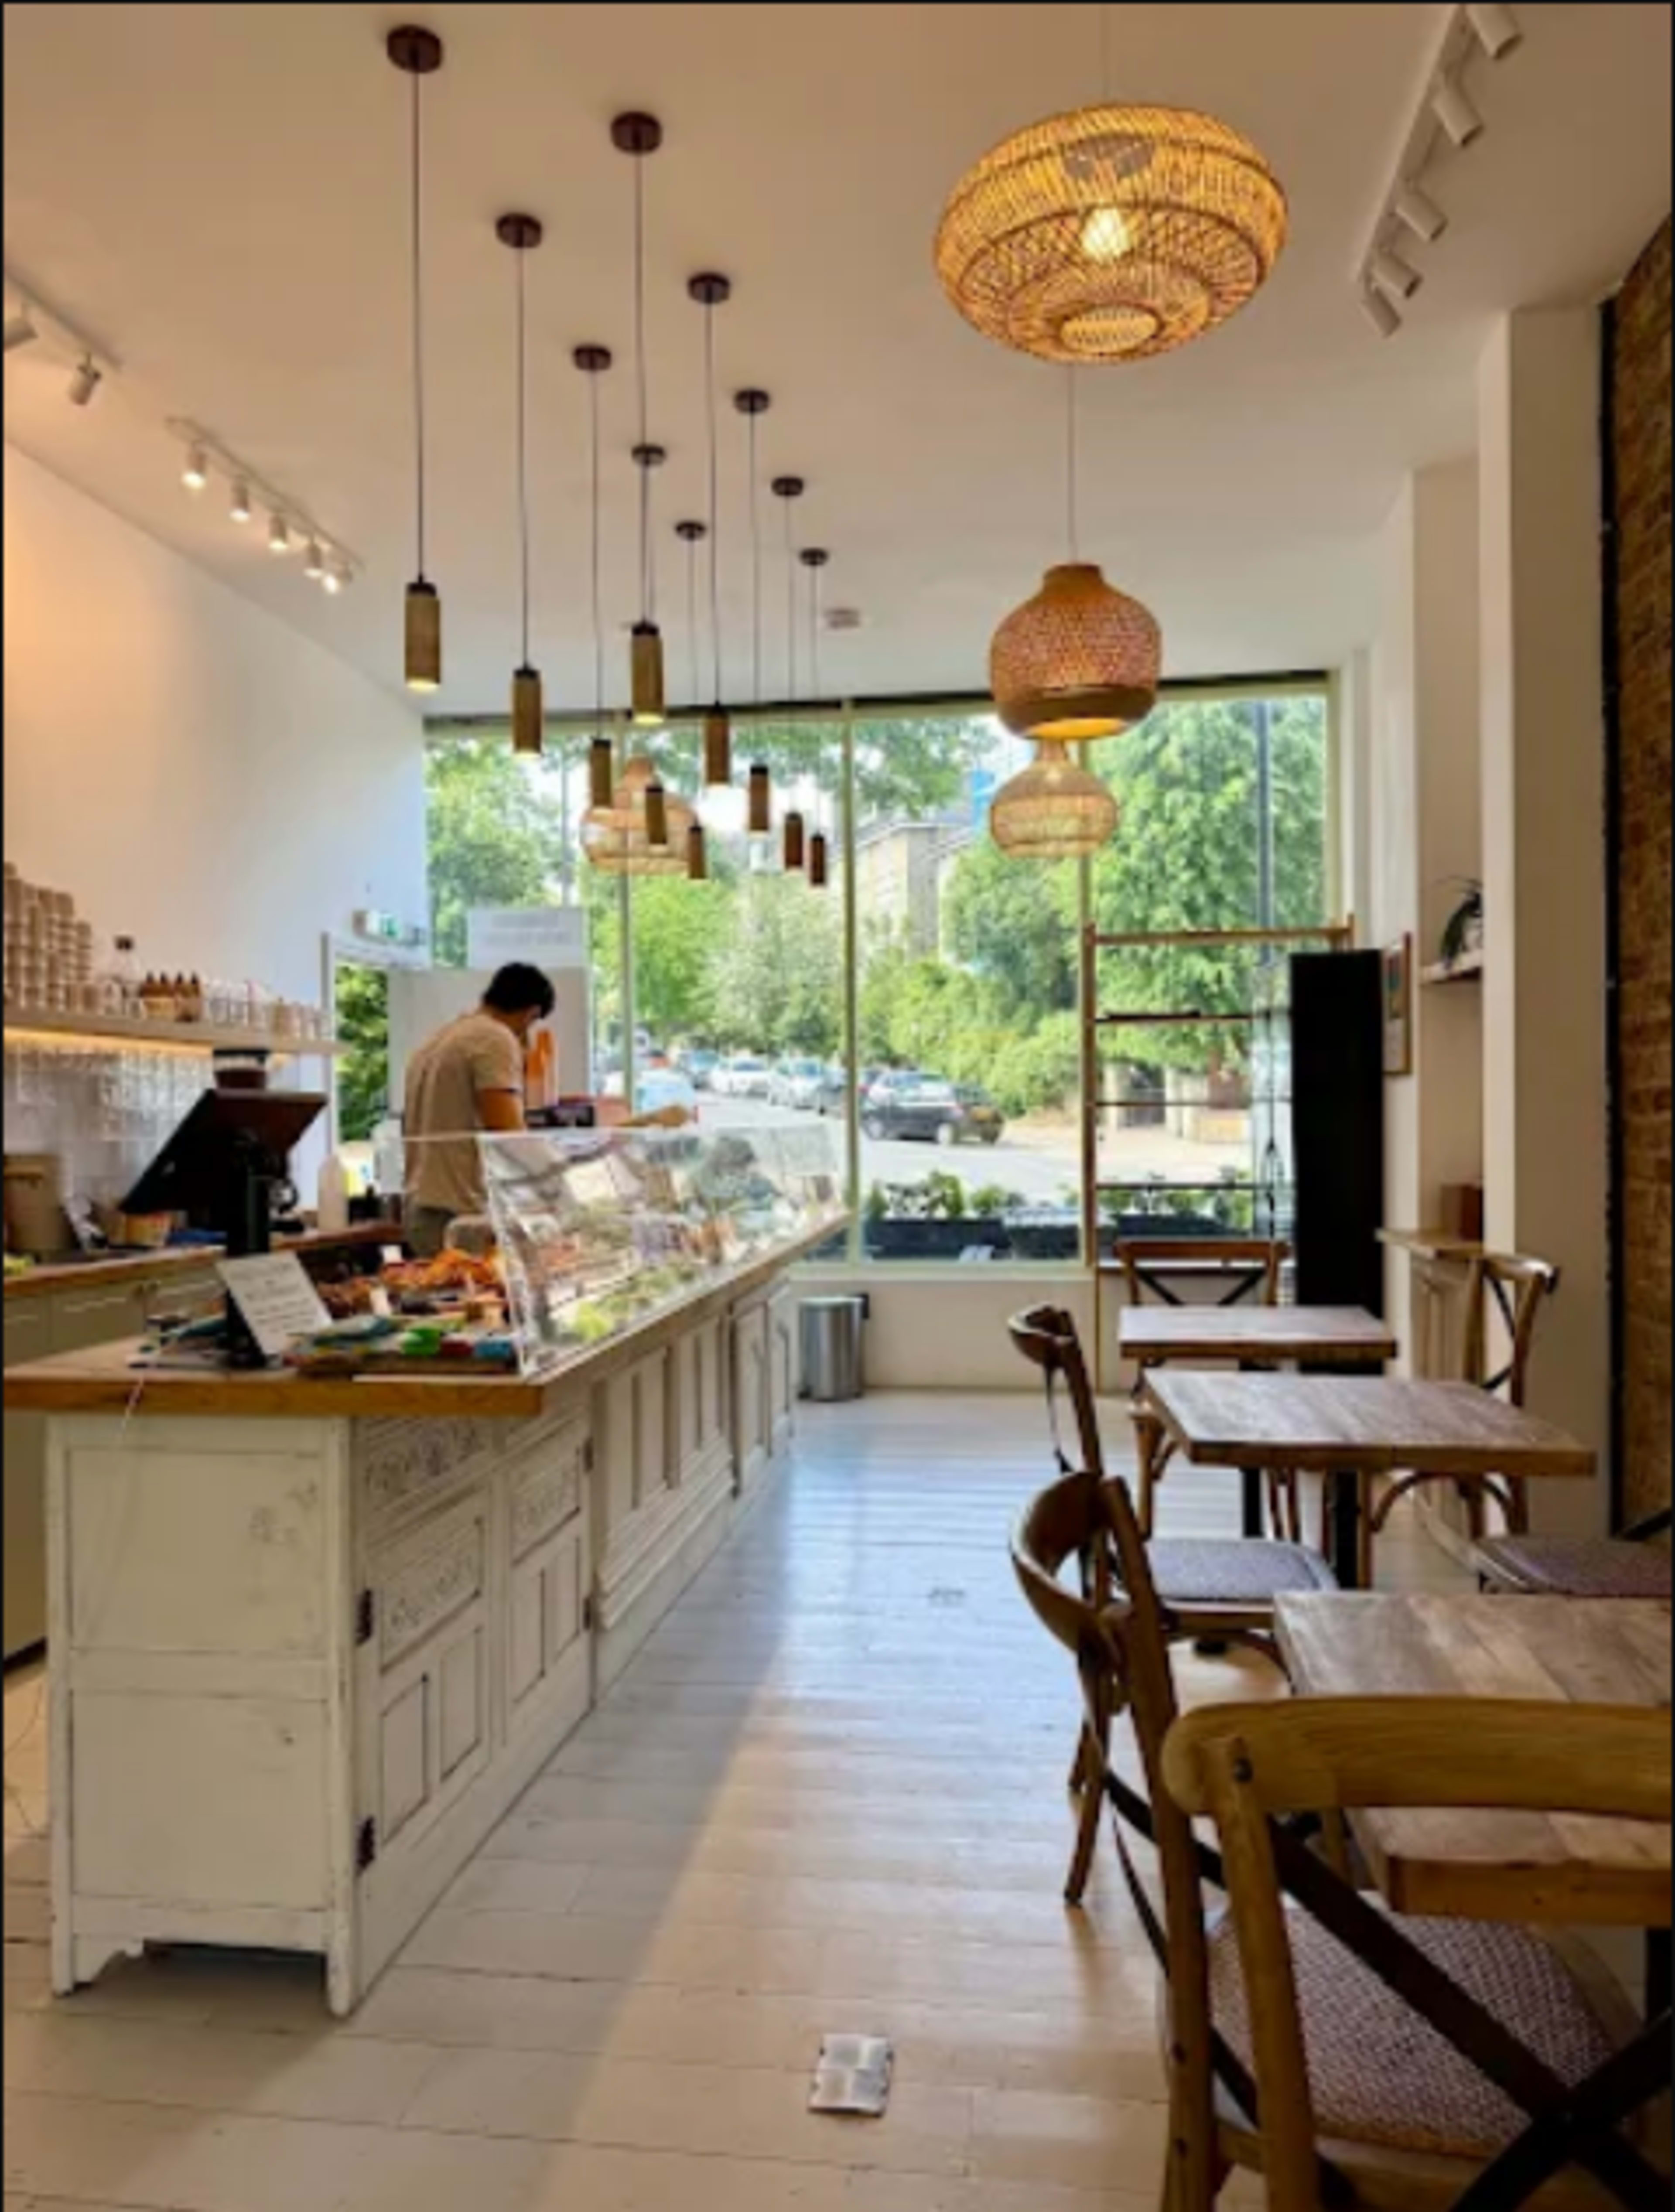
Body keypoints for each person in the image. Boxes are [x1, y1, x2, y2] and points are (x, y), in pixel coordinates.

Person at [403, 964, 556, 1259]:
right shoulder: (495, 1038)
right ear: (532, 1014)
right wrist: (558, 1181)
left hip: (419, 1212)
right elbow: (509, 1137)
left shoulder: (437, 1041)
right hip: (459, 1218)